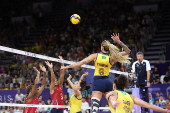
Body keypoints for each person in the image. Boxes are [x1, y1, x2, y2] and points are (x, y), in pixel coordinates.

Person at [61, 33, 131, 113]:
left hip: (98, 80)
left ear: (101, 47)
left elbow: (79, 63)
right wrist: (119, 41)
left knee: (95, 105)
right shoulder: (112, 57)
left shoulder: (95, 56)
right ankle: (113, 102)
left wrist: (66, 67)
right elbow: (128, 51)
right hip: (108, 81)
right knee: (110, 100)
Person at [106, 75, 170, 113]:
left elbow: (111, 97)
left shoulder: (112, 93)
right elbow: (148, 105)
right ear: (124, 86)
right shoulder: (131, 97)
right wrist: (165, 111)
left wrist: (113, 102)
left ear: (114, 85)